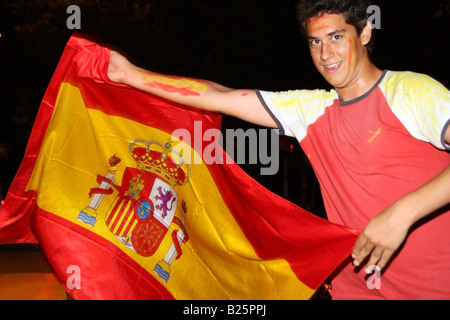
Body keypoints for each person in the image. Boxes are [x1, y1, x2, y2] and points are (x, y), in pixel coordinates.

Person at [107, 0, 450, 299]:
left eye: (336, 37)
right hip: (355, 290)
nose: (325, 53)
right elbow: (218, 95)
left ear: (364, 33)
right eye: (315, 41)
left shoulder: (410, 92)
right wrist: (130, 74)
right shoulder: (310, 110)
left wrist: (402, 214)